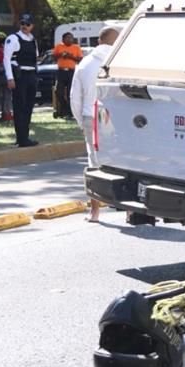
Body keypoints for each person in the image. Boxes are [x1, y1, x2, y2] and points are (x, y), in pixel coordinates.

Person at [71, 26, 120, 222]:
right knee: (121, 161)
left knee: (93, 161)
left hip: (91, 115)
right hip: (116, 117)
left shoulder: (85, 63)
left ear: (99, 41)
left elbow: (75, 97)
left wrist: (80, 120)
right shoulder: (121, 61)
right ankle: (130, 211)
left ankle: (95, 212)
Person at [3, 13, 40, 147]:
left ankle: (25, 136)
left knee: (29, 107)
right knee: (19, 106)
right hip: (19, 76)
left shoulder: (32, 39)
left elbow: (36, 58)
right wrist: (10, 77)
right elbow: (6, 59)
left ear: (32, 26)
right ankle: (21, 138)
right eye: (22, 23)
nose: (24, 26)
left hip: (31, 75)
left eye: (27, 24)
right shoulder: (13, 38)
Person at [52, 31, 81, 119]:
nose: (69, 39)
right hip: (61, 71)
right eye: (67, 38)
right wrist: (60, 54)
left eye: (71, 38)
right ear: (63, 39)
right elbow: (54, 57)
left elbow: (79, 59)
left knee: (70, 93)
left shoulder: (76, 47)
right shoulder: (58, 46)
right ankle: (63, 109)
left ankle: (70, 112)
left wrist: (70, 56)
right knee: (58, 92)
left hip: (71, 72)